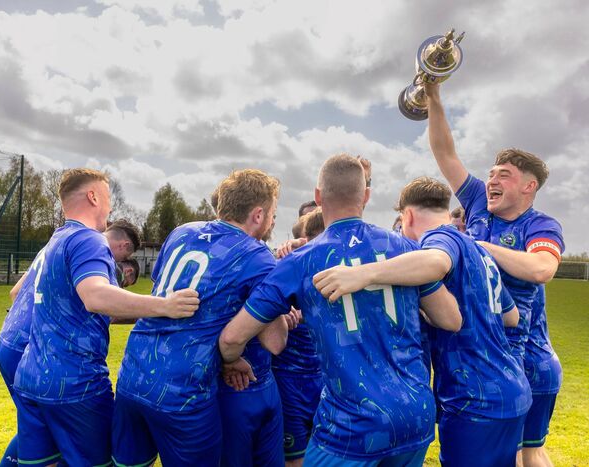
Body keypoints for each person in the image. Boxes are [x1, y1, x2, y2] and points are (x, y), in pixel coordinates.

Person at [219, 154, 462, 466]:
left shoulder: (301, 260)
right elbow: (450, 318)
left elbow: (231, 338)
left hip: (351, 426)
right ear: (367, 196)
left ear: (319, 197)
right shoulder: (404, 250)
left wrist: (231, 359)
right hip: (414, 416)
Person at [314, 176, 532, 466]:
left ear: (408, 215)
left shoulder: (438, 239)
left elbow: (435, 263)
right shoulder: (478, 250)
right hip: (513, 387)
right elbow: (511, 315)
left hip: (474, 397)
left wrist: (364, 273)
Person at [12, 168, 199, 467]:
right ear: (93, 196)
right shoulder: (89, 240)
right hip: (74, 385)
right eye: (109, 198)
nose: (111, 207)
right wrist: (165, 305)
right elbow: (95, 296)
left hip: (30, 376)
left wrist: (138, 314)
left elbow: (77, 308)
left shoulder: (56, 239)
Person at [425, 82, 565, 465]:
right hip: (493, 357)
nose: (491, 181)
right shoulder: (477, 205)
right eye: (490, 174)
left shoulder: (541, 226)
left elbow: (542, 269)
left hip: (528, 360)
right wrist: (434, 98)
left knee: (528, 454)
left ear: (528, 186)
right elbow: (445, 153)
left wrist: (477, 248)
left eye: (503, 175)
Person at [112, 169, 286, 467]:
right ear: (258, 214)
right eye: (272, 214)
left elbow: (166, 296)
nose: (272, 220)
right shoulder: (257, 256)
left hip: (132, 375)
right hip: (183, 392)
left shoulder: (183, 231)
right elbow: (275, 341)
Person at [0, 214, 142, 467]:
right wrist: (153, 312)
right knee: (61, 429)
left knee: (37, 426)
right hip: (40, 352)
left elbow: (15, 292)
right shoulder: (93, 249)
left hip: (8, 342)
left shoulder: (56, 242)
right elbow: (104, 306)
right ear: (125, 247)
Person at [272, 206, 324, 467]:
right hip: (289, 377)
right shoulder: (286, 266)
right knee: (294, 459)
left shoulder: (337, 265)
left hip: (324, 376)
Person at [521, 286, 562, 466]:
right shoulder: (527, 261)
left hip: (528, 368)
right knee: (534, 451)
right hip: (544, 361)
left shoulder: (508, 265)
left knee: (521, 454)